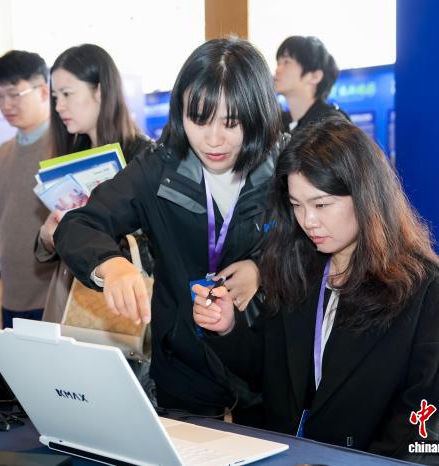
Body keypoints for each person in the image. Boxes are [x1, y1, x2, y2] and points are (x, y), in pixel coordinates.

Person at [193, 118, 439, 465]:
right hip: (294, 455)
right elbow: (265, 372)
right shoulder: (299, 266)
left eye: (321, 205)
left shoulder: (419, 285)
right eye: (296, 205)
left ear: (366, 197)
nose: (308, 220)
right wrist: (227, 327)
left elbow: (419, 421)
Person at [53, 37, 285, 422]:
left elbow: (318, 249)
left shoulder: (285, 167)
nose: (213, 139)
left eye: (231, 122)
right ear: (180, 112)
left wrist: (264, 269)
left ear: (258, 113)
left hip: (264, 365)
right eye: (199, 119)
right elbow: (78, 224)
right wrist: (111, 266)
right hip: (184, 368)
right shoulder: (159, 169)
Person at [35, 43, 153, 324]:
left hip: (121, 298)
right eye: (55, 97)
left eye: (67, 94)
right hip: (71, 296)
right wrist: (47, 237)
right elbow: (52, 241)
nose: (59, 106)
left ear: (100, 91)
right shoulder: (71, 154)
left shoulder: (145, 157)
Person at [0, 50, 57, 330]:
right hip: (12, 296)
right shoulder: (3, 154)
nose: (5, 105)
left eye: (14, 94)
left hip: (55, 297)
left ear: (43, 91)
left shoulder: (65, 147)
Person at [274, 36, 347, 134]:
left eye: (286, 62)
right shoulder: (280, 125)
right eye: (278, 63)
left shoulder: (331, 126)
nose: (277, 70)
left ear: (315, 76)